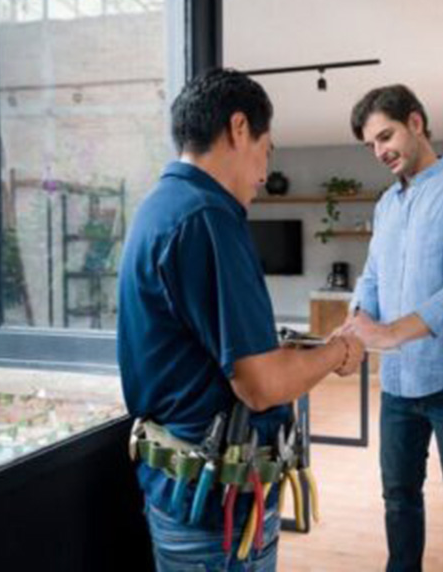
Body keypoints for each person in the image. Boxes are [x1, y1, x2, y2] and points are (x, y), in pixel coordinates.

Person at [117, 68, 365, 572]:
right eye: (266, 149)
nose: (263, 172)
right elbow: (261, 386)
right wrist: (339, 352)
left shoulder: (159, 207)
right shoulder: (208, 218)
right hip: (218, 518)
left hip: (180, 496)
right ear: (237, 128)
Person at [339, 84, 443, 571]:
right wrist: (354, 323)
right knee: (398, 498)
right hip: (398, 384)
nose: (380, 151)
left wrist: (388, 334)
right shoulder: (387, 205)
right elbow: (372, 277)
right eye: (371, 145)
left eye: (385, 136)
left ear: (415, 122)